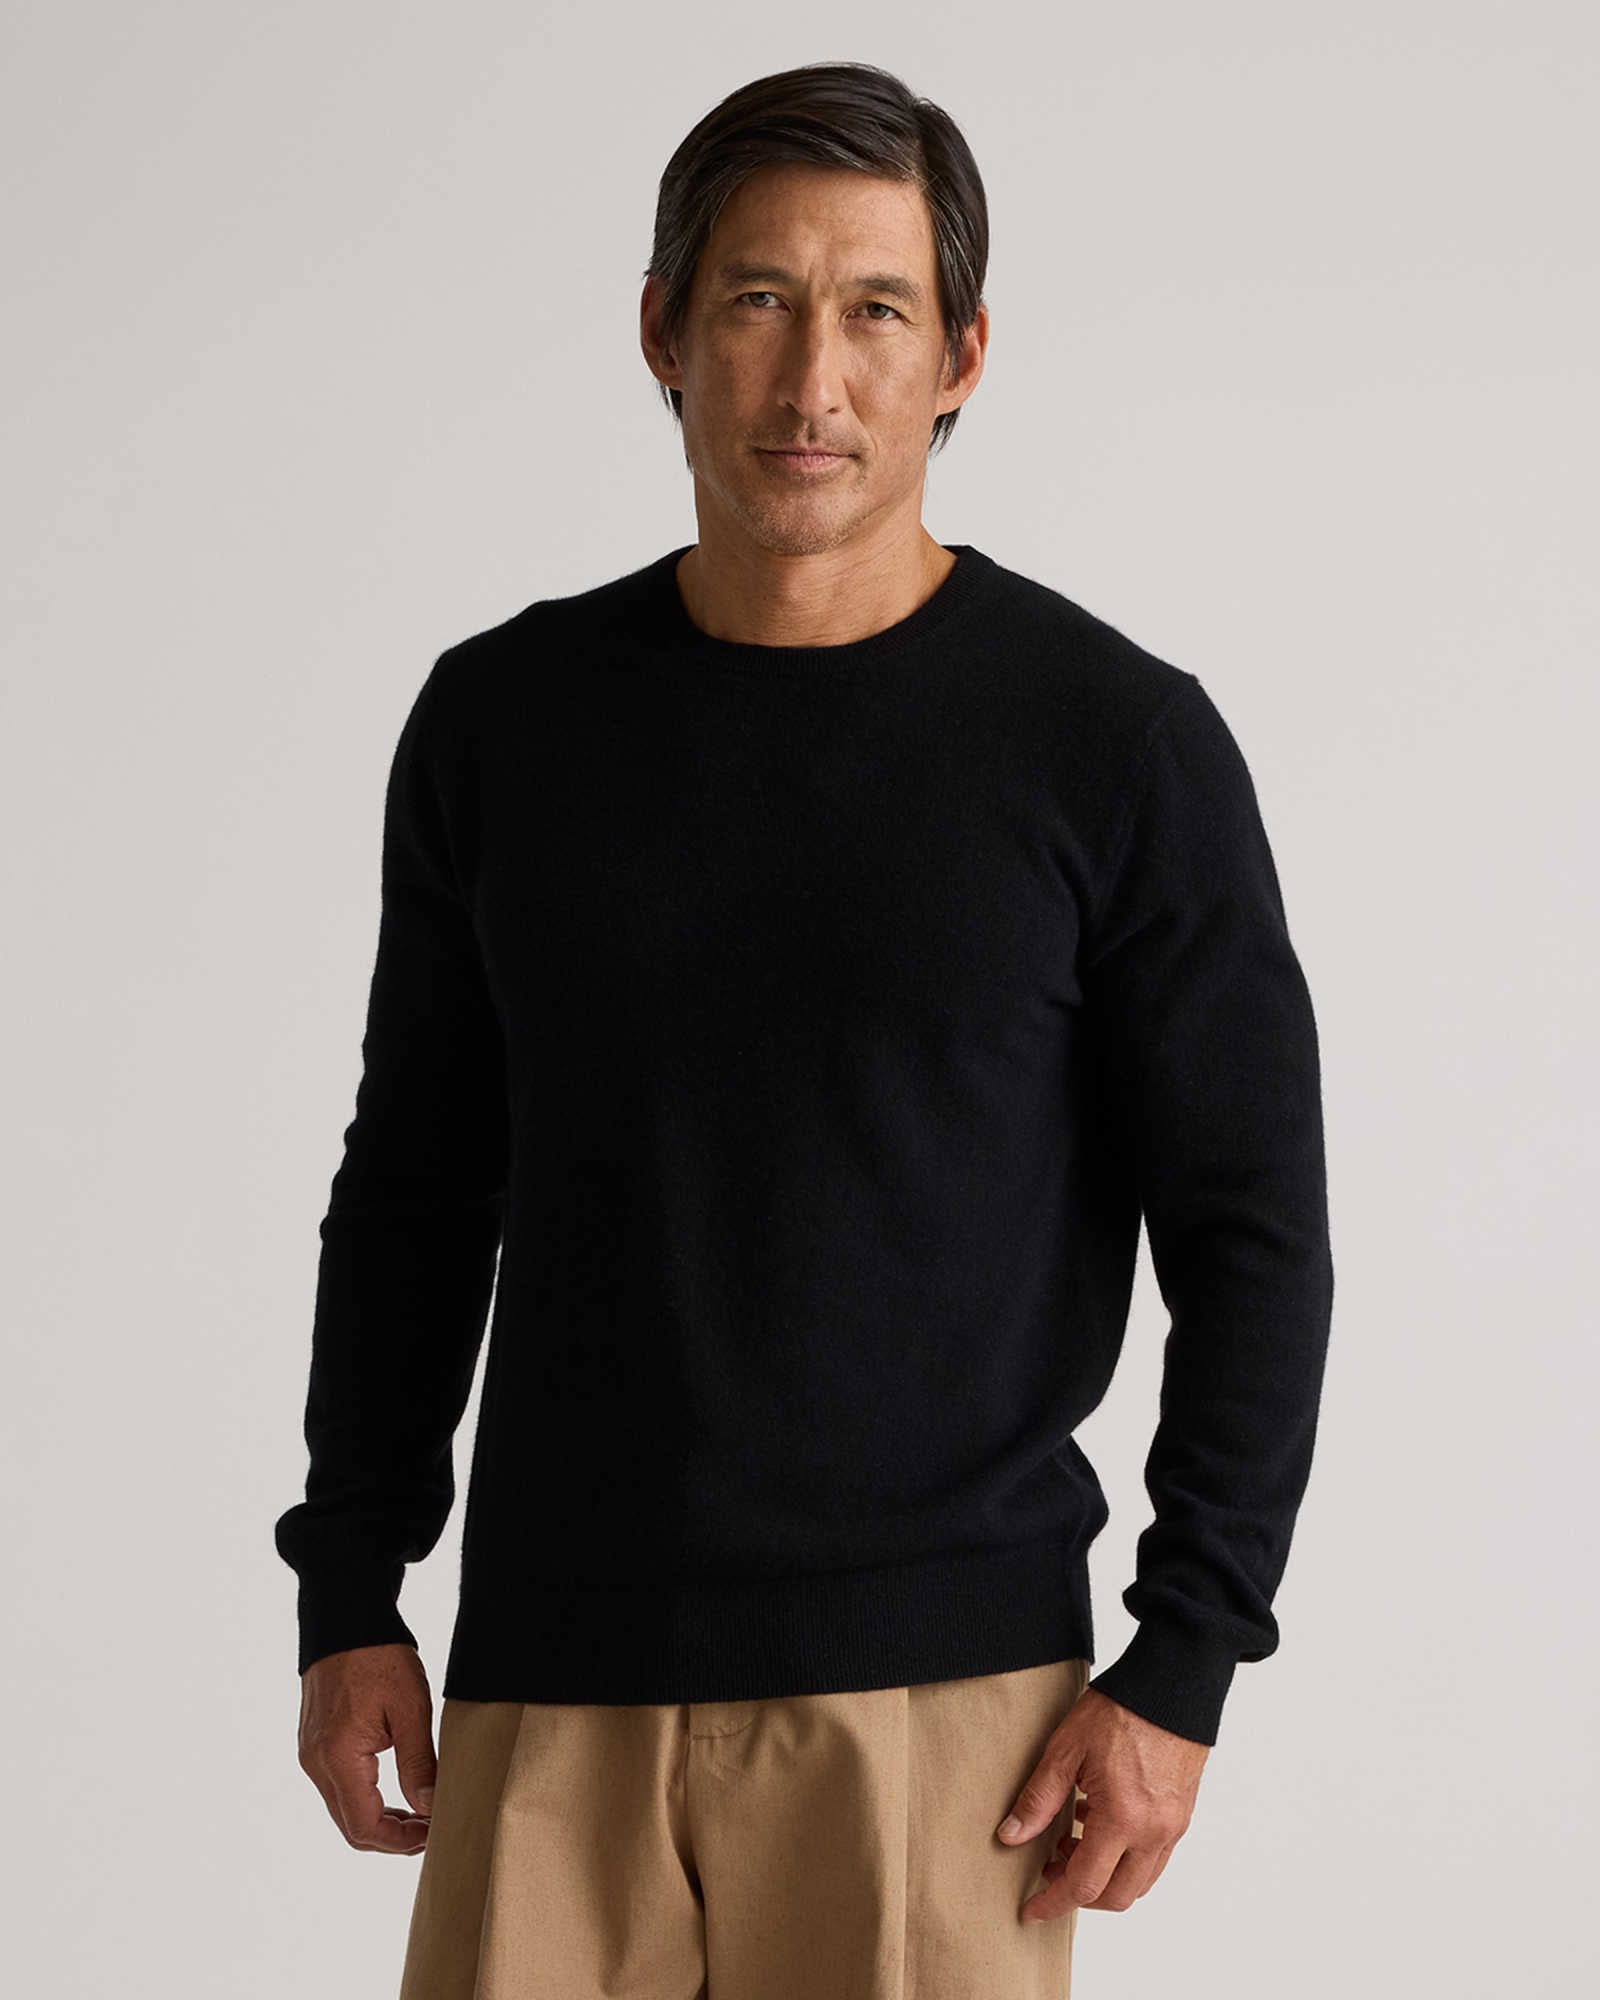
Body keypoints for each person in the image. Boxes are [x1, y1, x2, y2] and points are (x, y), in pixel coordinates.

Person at [274, 59, 1334, 1999]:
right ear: (664, 333)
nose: (811, 382)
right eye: (758, 300)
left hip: (946, 1718)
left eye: (876, 311)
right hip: (552, 1684)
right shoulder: (503, 727)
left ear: (962, 356)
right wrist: (350, 1586)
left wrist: (1186, 1654)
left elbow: (1251, 1231)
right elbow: (413, 1190)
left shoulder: (1113, 747)